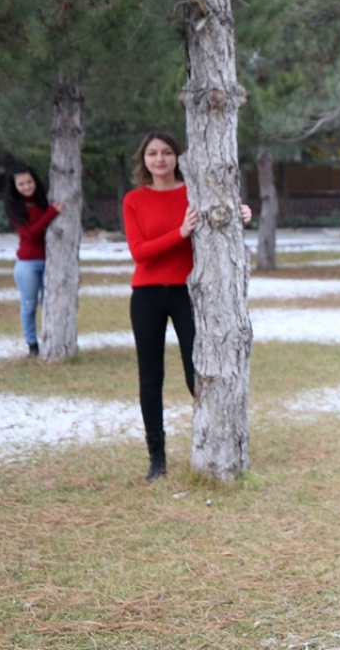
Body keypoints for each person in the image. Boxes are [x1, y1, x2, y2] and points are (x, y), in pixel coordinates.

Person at [123, 131, 251, 482]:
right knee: (151, 378)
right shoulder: (133, 199)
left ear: (178, 158)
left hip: (186, 293)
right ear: (144, 159)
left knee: (197, 372)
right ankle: (157, 458)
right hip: (147, 295)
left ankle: (214, 445)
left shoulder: (192, 193)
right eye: (152, 153)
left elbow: (220, 216)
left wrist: (240, 212)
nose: (160, 159)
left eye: (167, 152)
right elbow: (139, 251)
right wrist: (179, 233)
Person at [4, 166, 64, 357]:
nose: (26, 186)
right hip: (27, 264)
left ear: (35, 182)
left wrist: (50, 210)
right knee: (29, 306)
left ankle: (53, 340)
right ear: (15, 186)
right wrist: (51, 213)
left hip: (50, 261)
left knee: (50, 303)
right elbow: (29, 234)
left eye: (29, 182)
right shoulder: (14, 207)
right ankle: (32, 345)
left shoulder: (43, 202)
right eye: (21, 184)